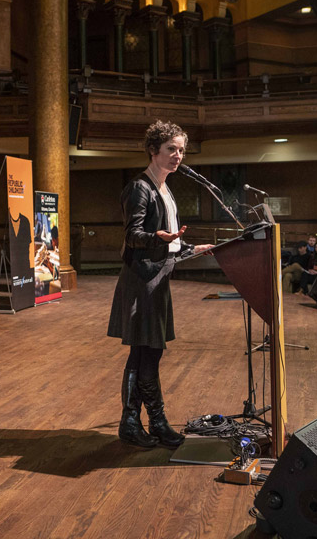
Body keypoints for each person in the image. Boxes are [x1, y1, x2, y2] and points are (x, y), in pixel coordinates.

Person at [108, 121, 212, 448]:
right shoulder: (140, 187)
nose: (178, 155)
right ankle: (154, 421)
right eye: (171, 149)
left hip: (158, 276)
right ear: (154, 150)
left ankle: (135, 422)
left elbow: (168, 240)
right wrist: (158, 237)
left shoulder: (165, 188)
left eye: (181, 150)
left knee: (145, 353)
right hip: (142, 280)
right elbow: (132, 235)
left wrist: (191, 249)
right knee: (147, 353)